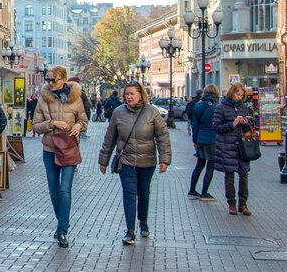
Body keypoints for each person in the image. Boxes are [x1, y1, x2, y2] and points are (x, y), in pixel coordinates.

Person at [97, 82, 171, 245]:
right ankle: (130, 231)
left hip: (147, 161)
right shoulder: (118, 113)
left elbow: (162, 136)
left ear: (141, 94)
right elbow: (109, 139)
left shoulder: (152, 112)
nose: (129, 96)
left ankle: (143, 221)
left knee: (143, 193)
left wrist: (164, 159)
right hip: (126, 160)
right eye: (127, 94)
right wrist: (103, 160)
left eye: (132, 93)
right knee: (129, 194)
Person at [32, 66, 89, 248]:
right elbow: (35, 126)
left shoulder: (75, 99)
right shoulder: (43, 99)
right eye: (48, 80)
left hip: (69, 149)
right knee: (54, 191)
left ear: (64, 80)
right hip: (50, 149)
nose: (49, 83)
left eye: (53, 80)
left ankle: (62, 229)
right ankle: (61, 223)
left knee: (65, 190)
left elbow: (84, 120)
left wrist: (79, 127)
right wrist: (52, 123)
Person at [212, 83, 253, 216]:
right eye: (237, 94)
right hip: (227, 146)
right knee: (229, 175)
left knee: (244, 175)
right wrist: (232, 124)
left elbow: (248, 129)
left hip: (241, 147)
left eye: (242, 95)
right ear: (231, 93)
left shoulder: (244, 108)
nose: (240, 97)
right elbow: (217, 127)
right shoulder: (221, 107)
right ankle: (231, 203)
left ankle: (243, 203)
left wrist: (246, 124)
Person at [187, 84, 219, 202]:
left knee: (199, 164)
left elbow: (195, 125)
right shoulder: (217, 106)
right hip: (212, 140)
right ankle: (204, 193)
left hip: (200, 138)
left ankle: (192, 190)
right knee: (210, 165)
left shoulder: (198, 105)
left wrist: (195, 140)